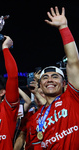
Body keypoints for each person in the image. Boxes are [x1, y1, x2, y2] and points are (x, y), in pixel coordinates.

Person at [28, 7, 79, 149]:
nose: (49, 80)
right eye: (45, 78)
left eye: (55, 76)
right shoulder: (35, 119)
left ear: (64, 83)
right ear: (40, 85)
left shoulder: (72, 97)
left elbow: (74, 62)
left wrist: (63, 27)